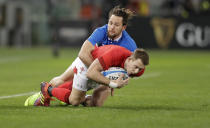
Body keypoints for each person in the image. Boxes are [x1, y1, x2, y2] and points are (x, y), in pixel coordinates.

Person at [26, 45, 149, 107]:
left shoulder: (138, 70)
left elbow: (111, 72)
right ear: (130, 59)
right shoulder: (116, 53)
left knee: (66, 85)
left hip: (97, 69)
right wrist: (112, 84)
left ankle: (54, 93)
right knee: (74, 101)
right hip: (86, 65)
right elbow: (91, 72)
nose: (137, 71)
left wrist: (111, 82)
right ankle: (47, 89)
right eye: (136, 66)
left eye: (140, 69)